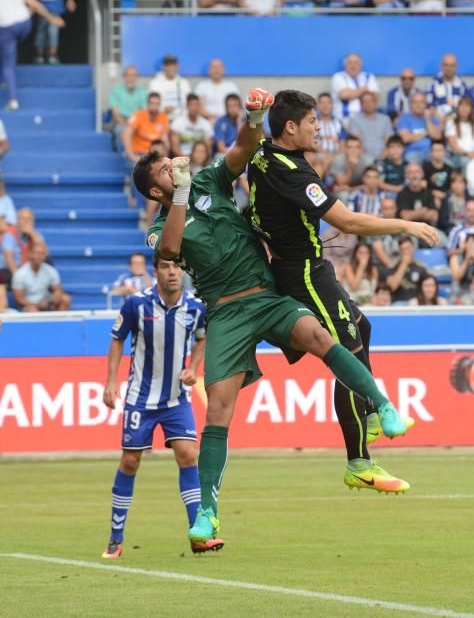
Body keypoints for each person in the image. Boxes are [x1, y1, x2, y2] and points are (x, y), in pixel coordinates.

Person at [137, 94, 411, 543]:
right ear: (155, 191)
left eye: (172, 162)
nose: (174, 167)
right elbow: (169, 248)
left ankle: (381, 405)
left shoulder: (209, 180)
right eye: (165, 170)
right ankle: (207, 513)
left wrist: (256, 117)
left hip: (266, 296)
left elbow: (244, 149)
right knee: (220, 410)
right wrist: (181, 193)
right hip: (225, 313)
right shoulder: (161, 224)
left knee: (322, 337)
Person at [244, 89, 437, 494]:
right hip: (303, 273)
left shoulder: (263, 152)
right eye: (313, 121)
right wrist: (404, 225)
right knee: (345, 351)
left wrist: (257, 114)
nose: (320, 128)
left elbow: (253, 138)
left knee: (361, 328)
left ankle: (365, 413)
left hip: (303, 266)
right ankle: (359, 462)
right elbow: (347, 223)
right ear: (292, 127)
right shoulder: (292, 171)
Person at [100, 256, 207, 559]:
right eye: (165, 267)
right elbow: (116, 339)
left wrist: (193, 368)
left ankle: (197, 535)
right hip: (140, 398)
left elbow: (202, 338)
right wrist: (110, 382)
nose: (172, 272)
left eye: (176, 267)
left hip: (176, 398)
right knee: (130, 462)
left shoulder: (195, 307)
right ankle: (115, 538)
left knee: (188, 455)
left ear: (182, 270)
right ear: (155, 271)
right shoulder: (136, 304)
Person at [0, 0, 64, 110]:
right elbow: (34, 3)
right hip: (24, 24)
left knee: (8, 64)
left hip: (6, 28)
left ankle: (13, 100)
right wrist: (52, 18)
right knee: (7, 49)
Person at [11, 241, 70, 311]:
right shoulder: (20, 274)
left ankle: (61, 322)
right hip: (28, 306)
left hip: (46, 302)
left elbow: (58, 290)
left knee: (65, 299)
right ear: (29, 254)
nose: (39, 256)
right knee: (33, 310)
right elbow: (19, 299)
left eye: (42, 253)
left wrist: (50, 300)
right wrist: (37, 305)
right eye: (37, 253)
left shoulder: (51, 270)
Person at [109, 66, 148, 153]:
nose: (131, 78)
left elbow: (144, 112)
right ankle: (122, 153)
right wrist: (126, 124)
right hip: (121, 120)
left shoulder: (143, 92)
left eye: (134, 76)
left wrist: (135, 124)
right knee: (120, 130)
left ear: (137, 77)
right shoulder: (116, 91)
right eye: (129, 75)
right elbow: (115, 113)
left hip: (137, 121)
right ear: (124, 77)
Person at [331, 52, 379, 122]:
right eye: (350, 62)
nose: (353, 65)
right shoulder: (338, 77)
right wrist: (364, 89)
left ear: (361, 65)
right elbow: (344, 95)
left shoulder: (369, 77)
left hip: (366, 117)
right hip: (344, 118)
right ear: (345, 65)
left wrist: (353, 92)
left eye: (356, 62)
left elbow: (375, 97)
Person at [395, 91, 442, 163]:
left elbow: (437, 137)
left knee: (447, 163)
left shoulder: (431, 118)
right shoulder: (404, 119)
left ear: (425, 105)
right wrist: (426, 133)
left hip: (433, 152)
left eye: (421, 102)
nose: (418, 105)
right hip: (413, 152)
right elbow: (405, 138)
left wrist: (428, 120)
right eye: (415, 102)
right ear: (410, 104)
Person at [385, 235, 430, 302]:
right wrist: (404, 264)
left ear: (413, 248)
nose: (406, 252)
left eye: (408, 248)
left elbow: (429, 288)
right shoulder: (393, 266)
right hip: (398, 303)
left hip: (417, 303)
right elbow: (391, 287)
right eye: (403, 249)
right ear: (399, 251)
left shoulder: (422, 267)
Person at [348, 91, 393, 159]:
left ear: (375, 103)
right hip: (363, 157)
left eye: (370, 101)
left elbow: (389, 140)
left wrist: (383, 155)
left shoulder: (385, 119)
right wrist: (366, 159)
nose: (367, 104)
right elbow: (356, 141)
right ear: (361, 105)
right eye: (364, 101)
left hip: (384, 156)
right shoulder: (355, 120)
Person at [148, 54, 191, 119]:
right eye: (168, 65)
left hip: (181, 119)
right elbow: (150, 104)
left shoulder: (184, 83)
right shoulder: (154, 83)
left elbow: (190, 103)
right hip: (160, 118)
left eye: (173, 65)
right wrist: (163, 109)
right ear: (163, 67)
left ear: (178, 66)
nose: (171, 68)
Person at [396, 163, 438, 228]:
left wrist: (413, 214)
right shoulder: (402, 194)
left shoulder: (428, 192)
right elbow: (405, 217)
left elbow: (434, 216)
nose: (414, 175)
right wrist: (423, 212)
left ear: (422, 174)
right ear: (406, 175)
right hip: (409, 231)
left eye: (417, 172)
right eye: (411, 172)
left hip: (427, 230)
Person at [426, 52, 467, 119]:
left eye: (452, 66)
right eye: (446, 65)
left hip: (458, 123)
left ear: (456, 67)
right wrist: (441, 120)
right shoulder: (433, 84)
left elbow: (468, 107)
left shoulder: (462, 85)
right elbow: (429, 106)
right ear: (441, 66)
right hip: (438, 123)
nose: (449, 68)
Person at [445, 96, 474, 166]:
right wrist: (468, 154)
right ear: (457, 108)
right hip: (457, 156)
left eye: (467, 106)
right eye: (461, 105)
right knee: (466, 162)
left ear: (471, 109)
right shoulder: (451, 123)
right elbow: (454, 147)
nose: (464, 108)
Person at [213, 93, 243, 157]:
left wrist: (239, 122)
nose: (232, 109)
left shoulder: (246, 121)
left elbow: (242, 143)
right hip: (225, 153)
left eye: (235, 106)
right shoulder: (220, 122)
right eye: (230, 106)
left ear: (240, 107)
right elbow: (221, 148)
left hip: (241, 152)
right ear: (226, 107)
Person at [0, 216, 20, 289]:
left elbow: (9, 257)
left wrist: (18, 277)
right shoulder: (7, 237)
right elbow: (8, 257)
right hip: (6, 271)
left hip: (7, 271)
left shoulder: (7, 237)